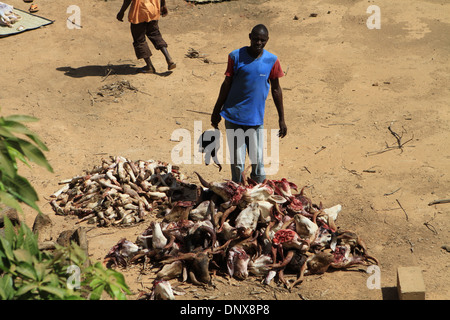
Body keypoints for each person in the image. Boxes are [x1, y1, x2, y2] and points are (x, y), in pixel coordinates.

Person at [211, 24, 287, 184]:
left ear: (267, 40)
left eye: (262, 40)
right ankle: (237, 191)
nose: (258, 43)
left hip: (255, 120)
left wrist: (282, 119)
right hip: (233, 117)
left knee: (258, 162)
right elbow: (227, 83)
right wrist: (217, 110)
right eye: (256, 39)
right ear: (249, 37)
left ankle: (259, 190)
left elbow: (276, 90)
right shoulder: (235, 56)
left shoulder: (272, 61)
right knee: (237, 163)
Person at [117, 0, 176, 73]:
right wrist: (163, 5)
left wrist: (122, 11)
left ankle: (149, 67)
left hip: (140, 11)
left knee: (139, 39)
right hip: (153, 9)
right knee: (155, 34)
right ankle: (169, 59)